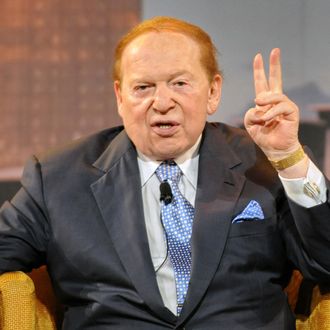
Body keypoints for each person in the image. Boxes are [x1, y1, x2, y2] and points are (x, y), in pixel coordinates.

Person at [0, 16, 329, 329]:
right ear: (119, 96)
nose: (162, 102)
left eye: (180, 83)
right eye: (143, 87)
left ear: (213, 92)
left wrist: (289, 157)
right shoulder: (60, 177)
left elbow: (324, 262)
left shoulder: (264, 162)